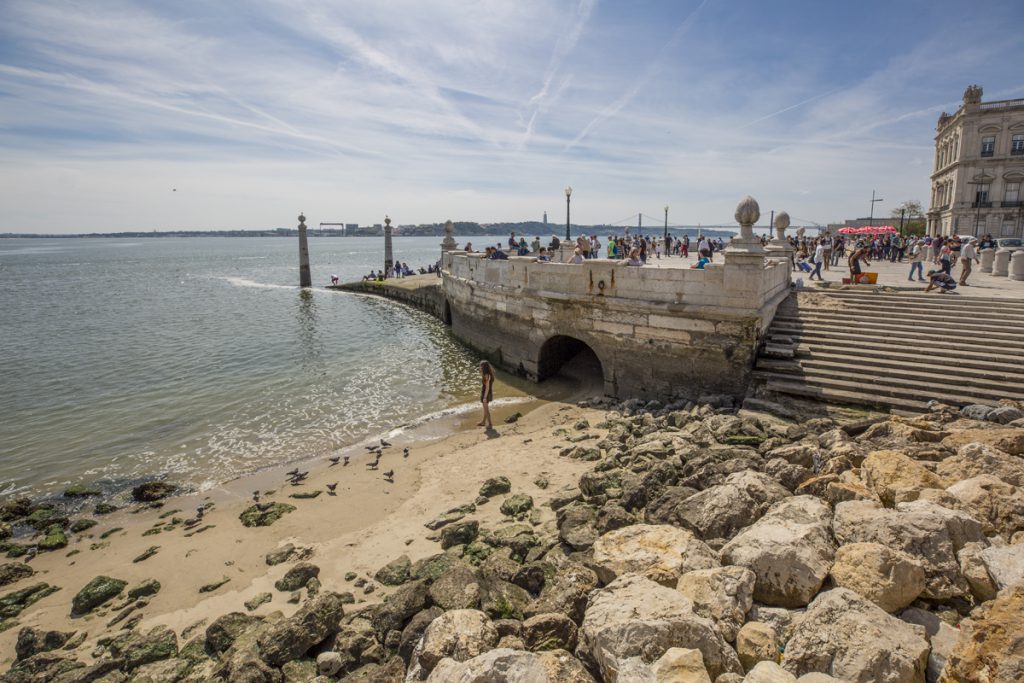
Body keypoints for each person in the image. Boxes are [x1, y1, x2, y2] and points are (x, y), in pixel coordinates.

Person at [477, 361, 494, 429]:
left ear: (484, 367)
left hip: (486, 393)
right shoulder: (488, 374)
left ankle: (490, 424)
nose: (479, 367)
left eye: (480, 366)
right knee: (485, 409)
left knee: (486, 409)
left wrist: (484, 397)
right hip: (487, 393)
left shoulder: (486, 375)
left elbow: (487, 387)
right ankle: (483, 422)